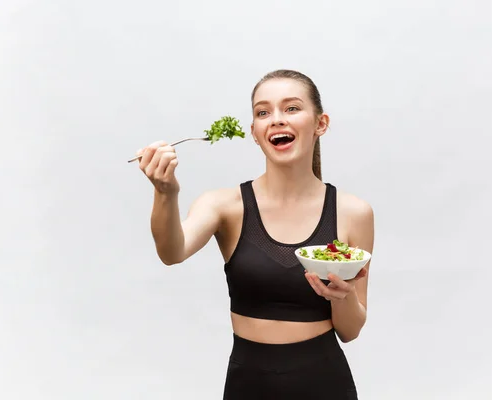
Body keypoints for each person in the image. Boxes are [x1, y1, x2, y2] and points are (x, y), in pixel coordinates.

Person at [134, 69, 374, 399]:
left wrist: (341, 295)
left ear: (320, 123)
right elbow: (171, 252)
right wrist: (165, 192)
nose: (276, 119)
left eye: (291, 108)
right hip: (247, 385)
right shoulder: (224, 206)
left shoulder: (353, 212)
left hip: (325, 383)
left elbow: (350, 330)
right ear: (254, 133)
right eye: (263, 112)